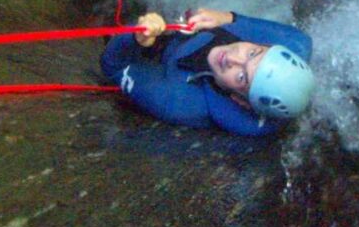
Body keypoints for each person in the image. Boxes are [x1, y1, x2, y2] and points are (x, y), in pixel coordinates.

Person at [100, 7, 316, 136]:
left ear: (240, 101)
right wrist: (225, 17)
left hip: (167, 53)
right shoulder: (296, 44)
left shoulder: (180, 102)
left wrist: (136, 38)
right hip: (191, 36)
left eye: (242, 77)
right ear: (267, 46)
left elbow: (113, 67)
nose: (232, 57)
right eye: (252, 53)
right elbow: (297, 37)